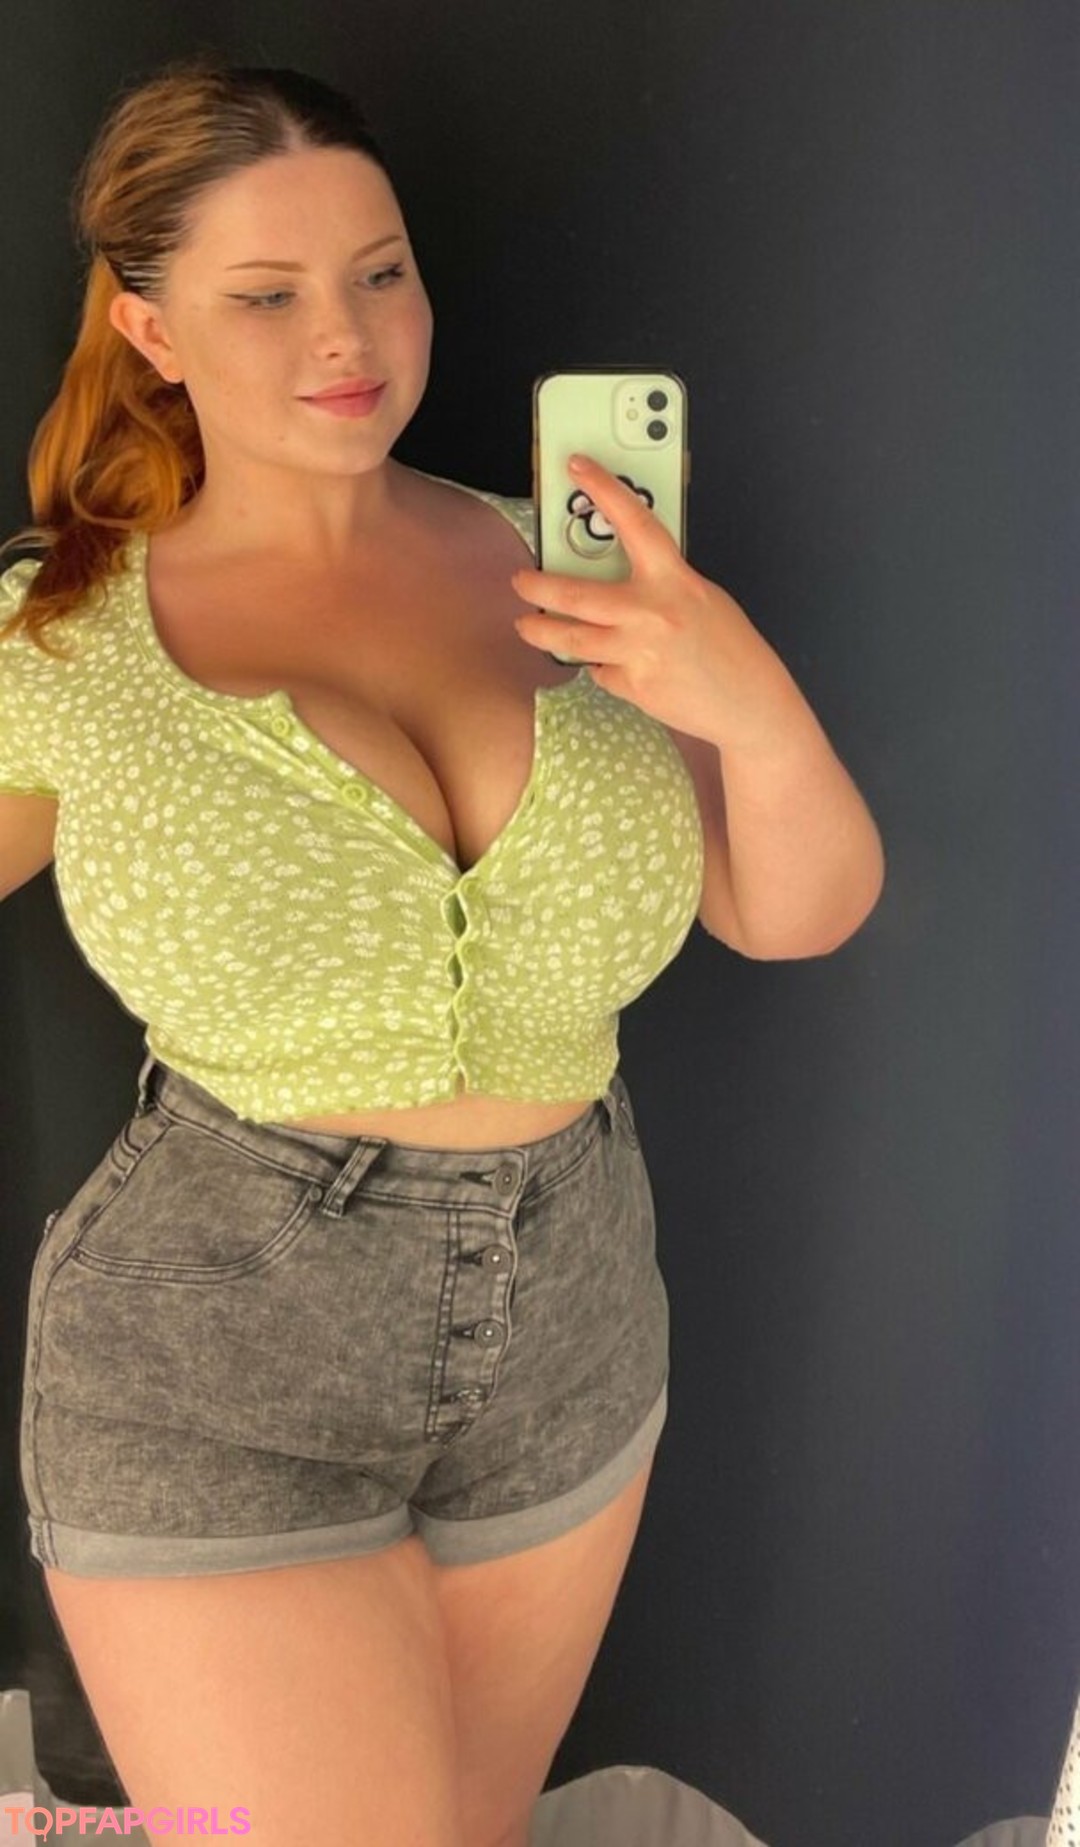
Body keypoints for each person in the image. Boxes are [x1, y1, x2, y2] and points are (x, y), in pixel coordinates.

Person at [0, 54, 885, 1847]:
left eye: (380, 270)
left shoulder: (589, 578)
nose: (348, 335)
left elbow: (792, 912)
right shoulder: (65, 634)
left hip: (572, 1325)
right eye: (266, 294)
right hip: (220, 1349)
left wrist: (743, 693)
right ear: (151, 328)